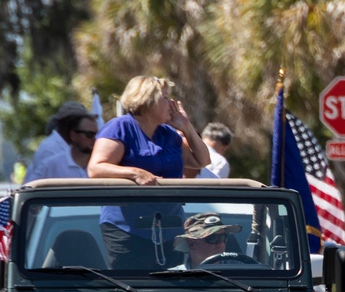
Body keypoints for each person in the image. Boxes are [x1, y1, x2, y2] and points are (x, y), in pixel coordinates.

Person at [88, 76, 211, 268]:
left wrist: (187, 127)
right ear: (147, 100)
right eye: (164, 97)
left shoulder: (168, 134)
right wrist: (135, 173)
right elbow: (95, 169)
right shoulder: (120, 127)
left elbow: (202, 161)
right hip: (128, 230)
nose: (171, 104)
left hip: (171, 229)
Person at [24, 102, 94, 181]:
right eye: (89, 134)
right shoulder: (50, 149)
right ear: (67, 124)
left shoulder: (69, 148)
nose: (94, 138)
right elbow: (36, 184)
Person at [169, 212, 249, 269]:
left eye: (223, 237)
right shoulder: (173, 279)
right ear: (192, 244)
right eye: (212, 239)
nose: (220, 244)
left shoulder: (244, 271)